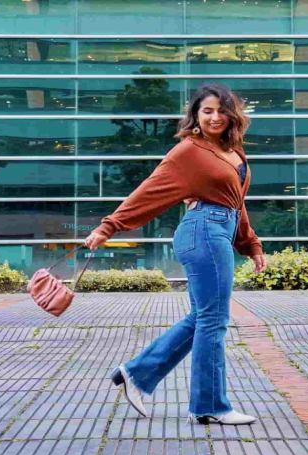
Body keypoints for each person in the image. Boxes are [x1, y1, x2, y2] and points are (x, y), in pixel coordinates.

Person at [84, 83, 267, 425]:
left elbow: (236, 203)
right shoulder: (188, 151)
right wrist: (109, 226)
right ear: (196, 115)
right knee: (214, 319)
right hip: (203, 231)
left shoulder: (233, 151)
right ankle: (211, 405)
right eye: (207, 111)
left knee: (202, 317)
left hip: (219, 229)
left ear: (233, 115)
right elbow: (149, 190)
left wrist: (250, 243)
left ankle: (136, 374)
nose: (215, 117)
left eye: (221, 111)